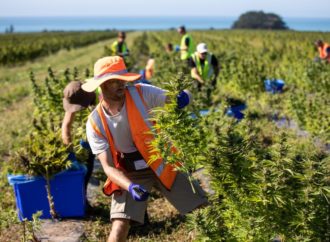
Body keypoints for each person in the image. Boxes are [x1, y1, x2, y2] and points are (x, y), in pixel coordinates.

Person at [82, 56, 207, 242]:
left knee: (203, 211)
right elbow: (108, 167)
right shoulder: (95, 122)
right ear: (102, 85)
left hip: (162, 161)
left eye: (122, 79)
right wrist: (130, 186)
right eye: (114, 81)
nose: (121, 84)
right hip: (130, 171)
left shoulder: (142, 93)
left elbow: (176, 95)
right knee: (119, 227)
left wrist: (184, 96)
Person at [61, 81, 96, 205]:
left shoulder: (102, 96)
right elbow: (66, 127)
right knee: (87, 166)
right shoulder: (76, 96)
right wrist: (71, 154)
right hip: (90, 140)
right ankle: (82, 201)